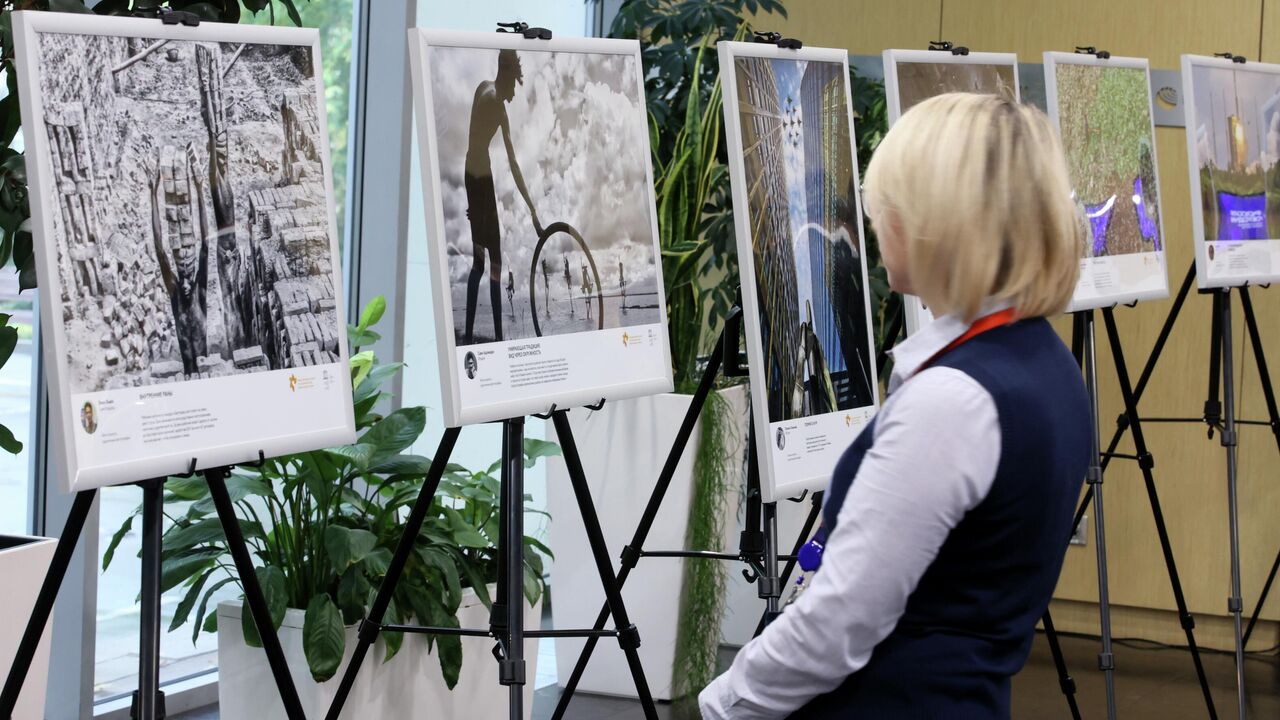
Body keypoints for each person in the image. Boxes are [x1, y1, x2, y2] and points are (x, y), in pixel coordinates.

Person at [700, 93, 1090, 719]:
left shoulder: (951, 402)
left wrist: (722, 704)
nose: (874, 220)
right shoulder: (1046, 364)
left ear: (941, 221)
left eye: (889, 204)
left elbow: (839, 623)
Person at [463, 49, 541, 344]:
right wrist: (532, 209)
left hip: (474, 175)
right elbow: (514, 163)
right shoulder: (495, 103)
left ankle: (471, 336)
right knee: (491, 263)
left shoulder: (481, 87)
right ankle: (496, 339)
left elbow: (472, 147)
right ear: (505, 73)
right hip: (481, 181)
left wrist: (472, 201)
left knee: (479, 263)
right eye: (512, 86)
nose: (512, 94)